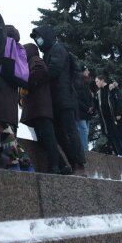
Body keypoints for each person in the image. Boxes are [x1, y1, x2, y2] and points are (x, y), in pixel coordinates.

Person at [30, 26, 85, 174]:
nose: (38, 41)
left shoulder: (57, 48)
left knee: (71, 131)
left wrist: (37, 79)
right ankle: (73, 162)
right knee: (60, 135)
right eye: (36, 39)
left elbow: (55, 68)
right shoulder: (48, 53)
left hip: (65, 97)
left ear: (47, 35)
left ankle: (79, 164)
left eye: (39, 37)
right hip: (54, 101)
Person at [0, 25, 34, 171]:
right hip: (9, 104)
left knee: (3, 134)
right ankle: (27, 166)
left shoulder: (0, 45)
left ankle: (14, 166)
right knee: (9, 136)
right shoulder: (16, 50)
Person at [20, 43, 72, 174]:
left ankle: (55, 166)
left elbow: (39, 73)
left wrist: (24, 84)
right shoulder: (31, 62)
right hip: (38, 109)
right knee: (45, 139)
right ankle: (62, 165)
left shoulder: (35, 60)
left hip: (40, 108)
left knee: (48, 138)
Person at [93, 75, 122, 157]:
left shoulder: (111, 88)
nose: (96, 83)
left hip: (114, 116)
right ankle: (120, 153)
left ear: (102, 80)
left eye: (97, 81)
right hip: (106, 118)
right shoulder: (98, 93)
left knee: (120, 134)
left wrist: (118, 113)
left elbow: (119, 101)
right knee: (112, 135)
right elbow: (98, 106)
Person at [76, 68, 95, 152]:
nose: (88, 72)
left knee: (86, 131)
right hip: (80, 111)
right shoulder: (78, 82)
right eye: (87, 70)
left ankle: (84, 149)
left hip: (88, 112)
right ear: (82, 71)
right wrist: (87, 108)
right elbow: (77, 98)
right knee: (83, 130)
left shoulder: (87, 83)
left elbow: (90, 97)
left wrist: (92, 107)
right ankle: (85, 151)